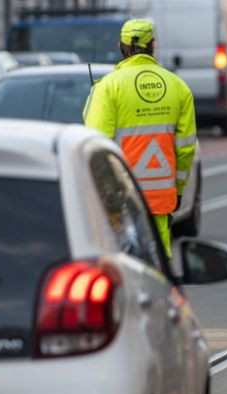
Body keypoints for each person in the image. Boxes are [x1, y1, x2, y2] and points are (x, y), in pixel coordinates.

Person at [84, 18, 197, 257]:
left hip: (119, 199)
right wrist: (178, 188)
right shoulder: (177, 86)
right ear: (152, 45)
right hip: (160, 198)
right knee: (158, 264)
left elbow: (95, 146)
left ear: (120, 45)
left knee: (123, 266)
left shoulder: (107, 88)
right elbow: (186, 149)